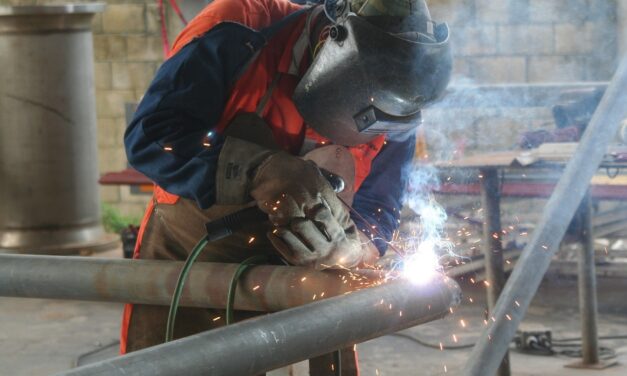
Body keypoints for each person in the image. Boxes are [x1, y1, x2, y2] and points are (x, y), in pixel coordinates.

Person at [121, 0, 451, 372]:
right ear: (330, 38)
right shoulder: (237, 27)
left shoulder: (400, 97)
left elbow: (380, 206)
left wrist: (354, 248)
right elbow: (150, 138)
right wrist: (257, 169)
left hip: (310, 271)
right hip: (195, 252)